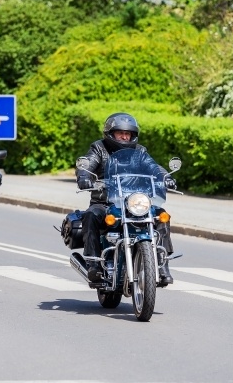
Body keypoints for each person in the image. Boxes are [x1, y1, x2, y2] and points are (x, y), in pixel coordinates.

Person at [75, 112, 176, 285]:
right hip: (105, 201)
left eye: (127, 133)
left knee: (161, 215)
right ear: (110, 133)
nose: (124, 136)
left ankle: (161, 264)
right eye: (120, 133)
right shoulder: (99, 148)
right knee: (91, 215)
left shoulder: (140, 151)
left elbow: (154, 167)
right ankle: (94, 263)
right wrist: (85, 176)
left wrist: (165, 177)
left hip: (135, 202)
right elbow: (88, 163)